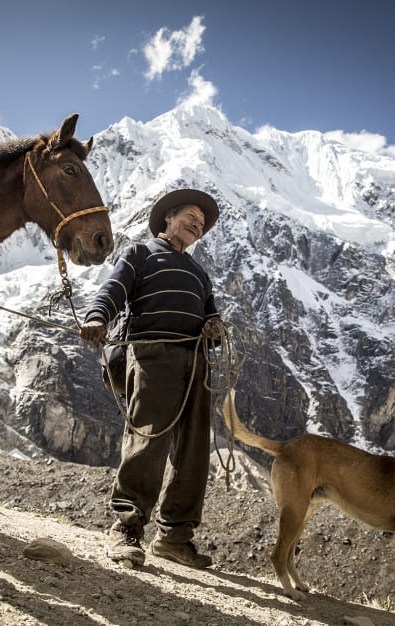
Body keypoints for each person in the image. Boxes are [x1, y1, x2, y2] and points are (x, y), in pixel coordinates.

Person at [80, 189, 225, 569]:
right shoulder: (140, 254)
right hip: (150, 354)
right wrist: (98, 317)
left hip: (196, 363)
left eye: (202, 223)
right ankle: (126, 528)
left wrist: (214, 325)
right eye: (191, 217)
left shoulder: (198, 273)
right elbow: (114, 290)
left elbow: (212, 314)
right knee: (147, 439)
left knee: (192, 453)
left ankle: (175, 538)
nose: (198, 224)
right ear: (168, 218)